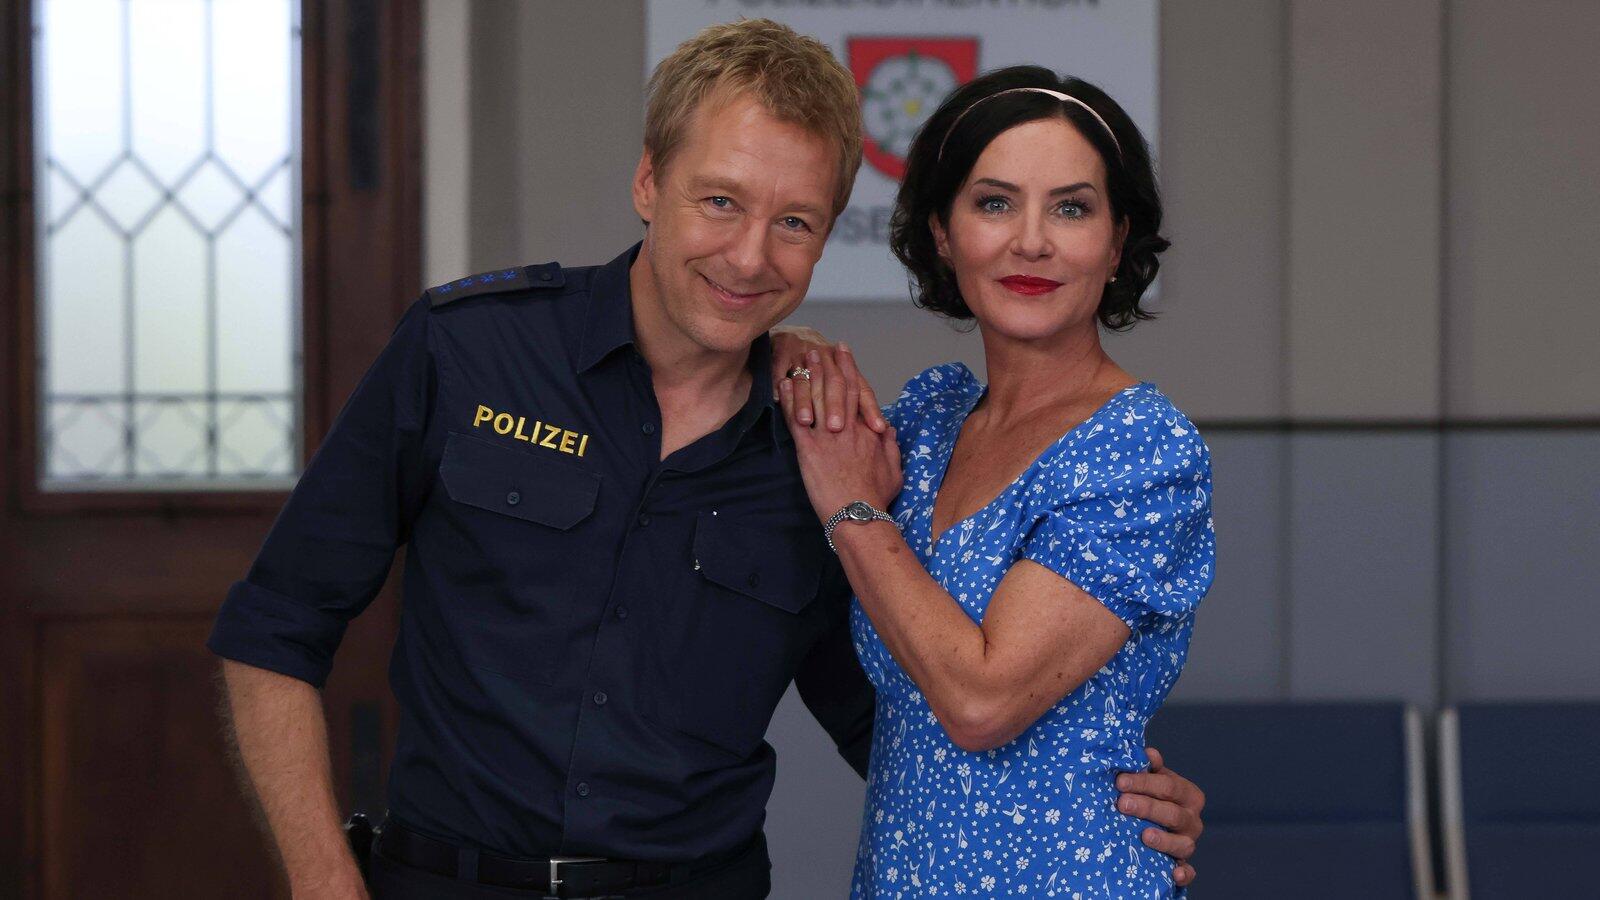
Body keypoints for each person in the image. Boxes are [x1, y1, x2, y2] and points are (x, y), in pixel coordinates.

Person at [207, 20, 1205, 900]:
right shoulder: (466, 350)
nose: (748, 258)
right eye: (719, 201)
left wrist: (1105, 793)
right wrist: (321, 877)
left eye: (794, 223)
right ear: (649, 182)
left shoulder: (831, 451)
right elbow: (275, 624)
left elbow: (898, 708)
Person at [771, 66, 1214, 897]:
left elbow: (981, 703)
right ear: (942, 231)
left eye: (1072, 208)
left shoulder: (1140, 448)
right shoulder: (929, 424)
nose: (1032, 242)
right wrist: (780, 349)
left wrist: (853, 510)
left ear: (1118, 241)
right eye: (995, 203)